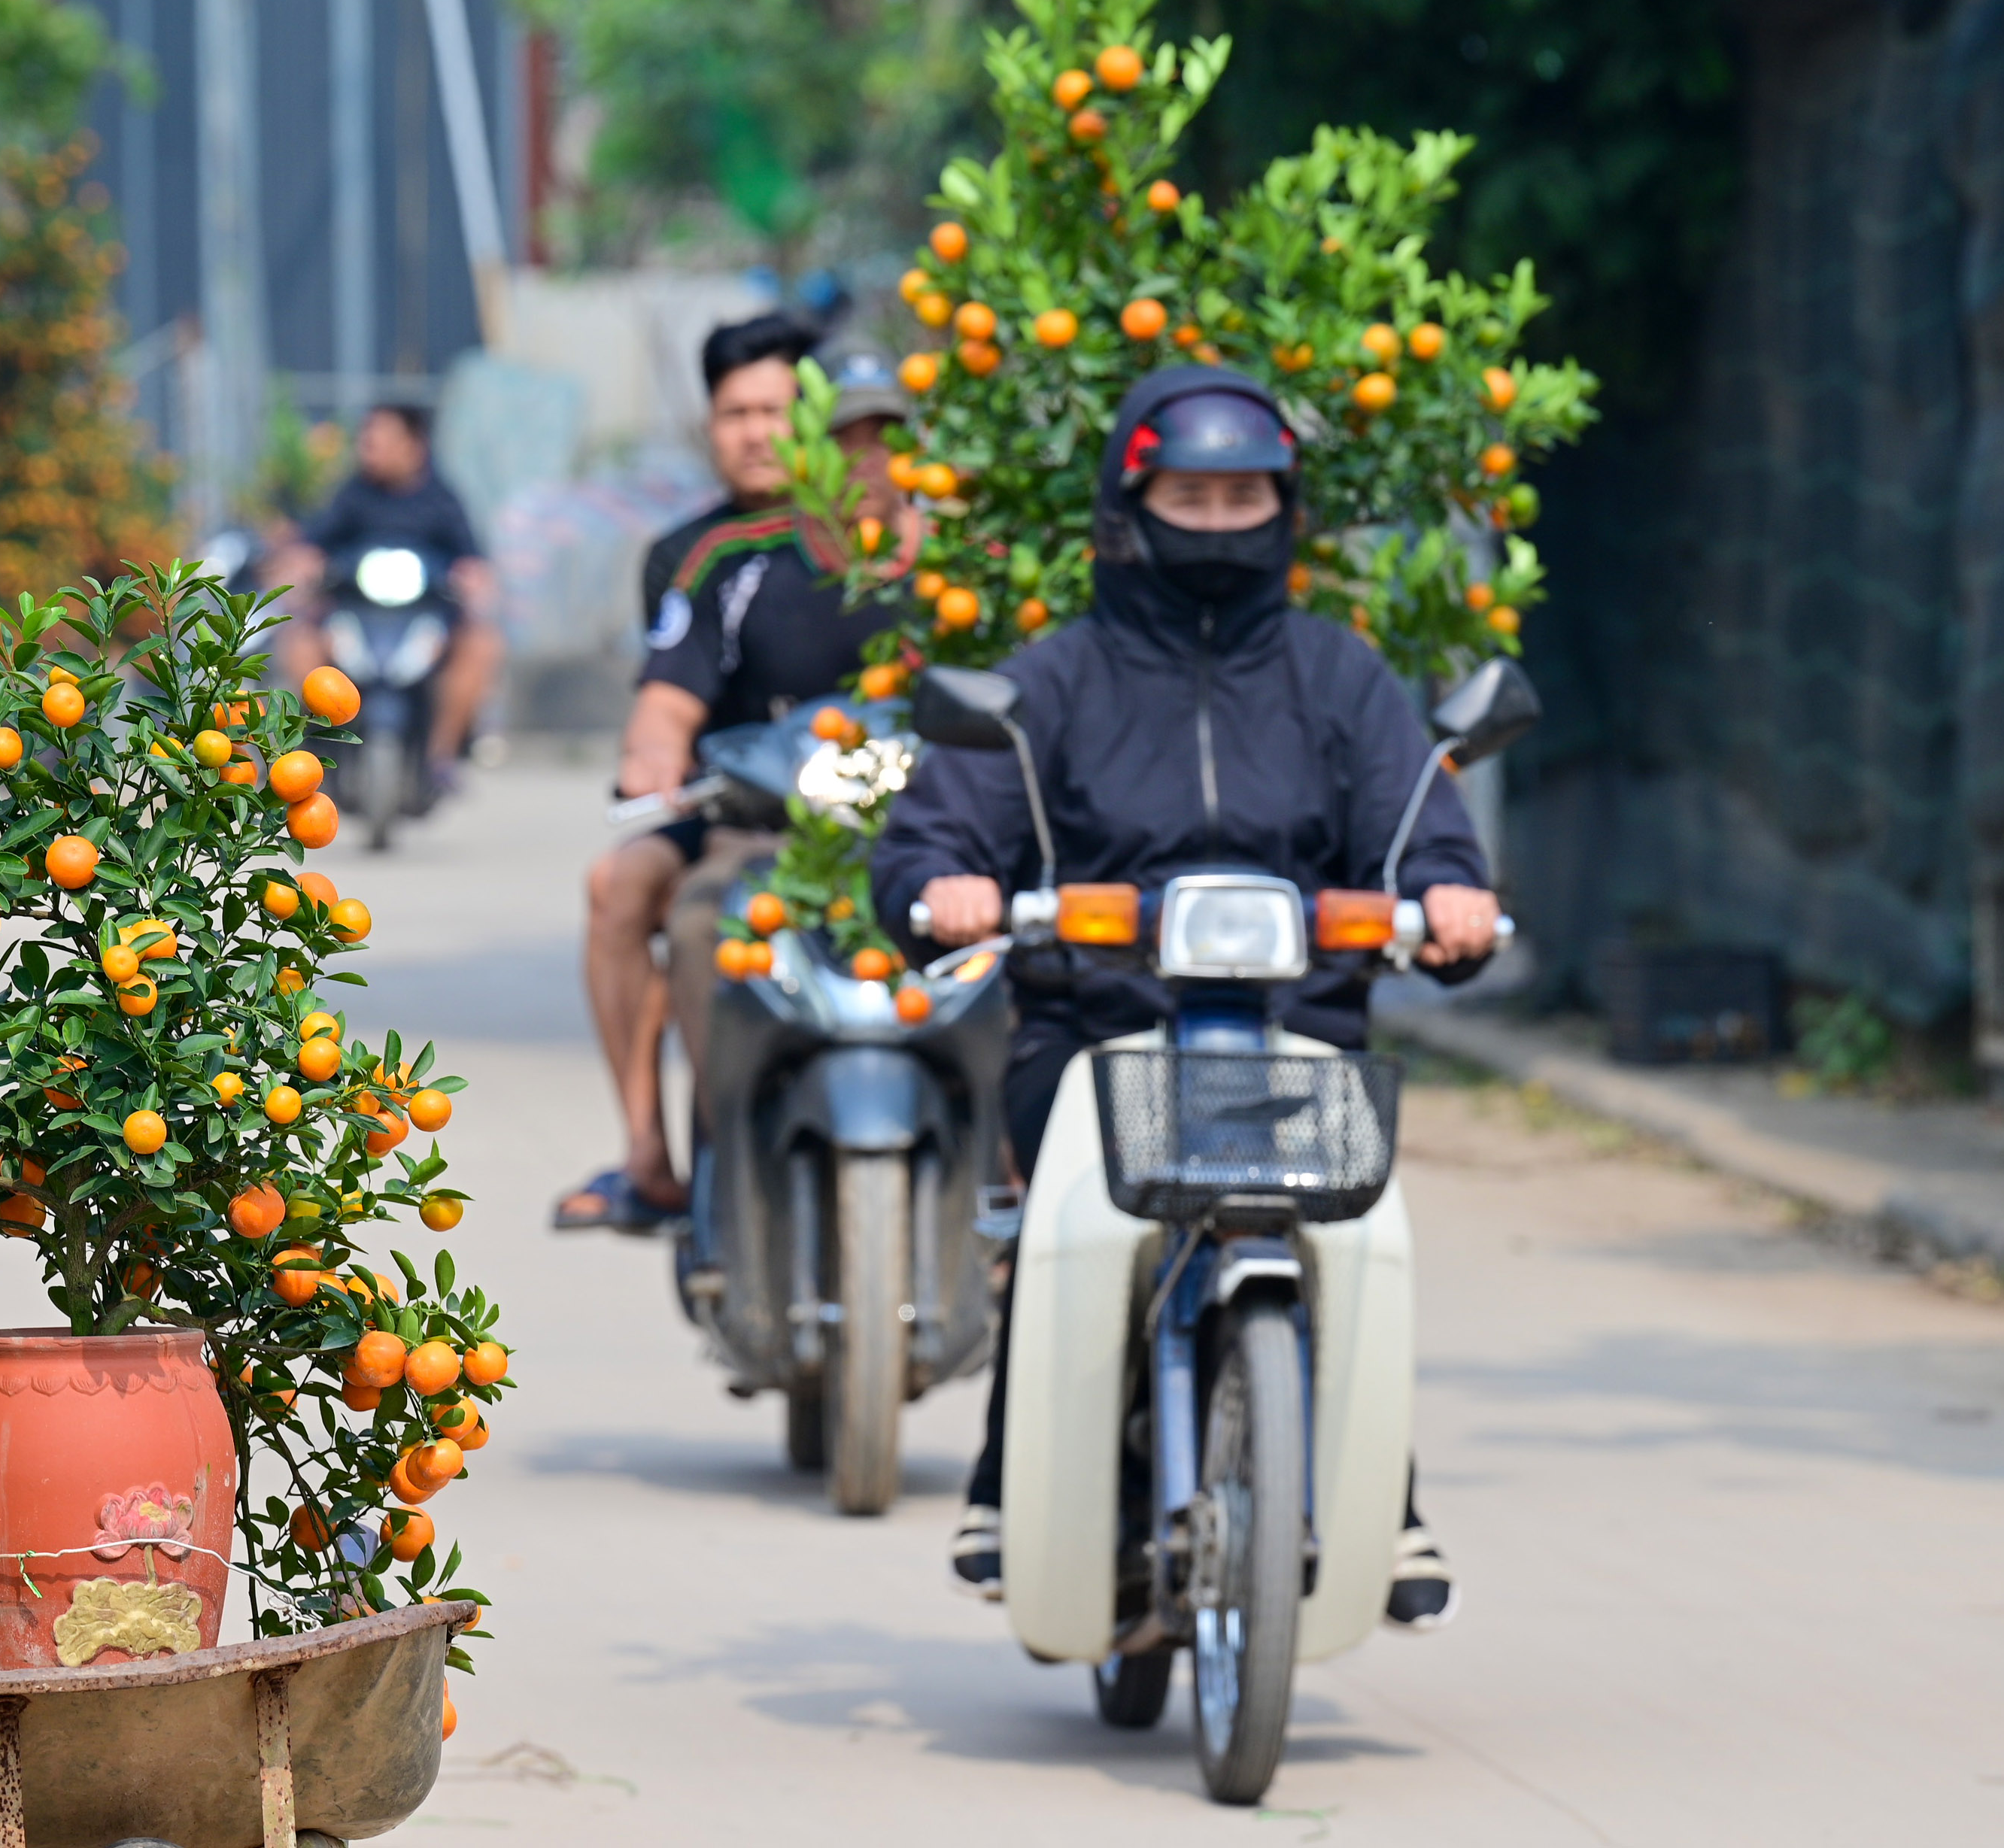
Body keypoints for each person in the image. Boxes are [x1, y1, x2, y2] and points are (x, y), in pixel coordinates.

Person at [870, 366, 1503, 1628]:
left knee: (1359, 1239)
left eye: (1243, 497)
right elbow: (940, 828)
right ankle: (1008, 1480)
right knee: (1062, 1218)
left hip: (1297, 1031)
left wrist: (1450, 895)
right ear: (1130, 506)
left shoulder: (1340, 676)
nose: (1218, 521)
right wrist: (946, 882)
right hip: (1095, 1028)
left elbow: (1418, 829)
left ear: (1284, 508)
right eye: (1190, 497)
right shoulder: (1054, 679)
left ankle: (1384, 1493)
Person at [557, 329, 913, 1230]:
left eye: (882, 440)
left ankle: (1003, 1180)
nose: (863, 461)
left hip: (911, 824)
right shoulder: (713, 560)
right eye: (736, 414)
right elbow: (667, 703)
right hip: (748, 809)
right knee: (642, 893)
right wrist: (651, 763)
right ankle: (668, 1154)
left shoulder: (960, 566)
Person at [272, 402, 502, 773]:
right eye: (365, 440)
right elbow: (313, 544)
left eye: (376, 441)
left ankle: (441, 755)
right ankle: (316, 738)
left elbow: (471, 560)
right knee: (299, 641)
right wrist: (302, 567)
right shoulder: (353, 494)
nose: (366, 449)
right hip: (353, 615)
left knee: (481, 645)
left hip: (427, 619)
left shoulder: (441, 499)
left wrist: (474, 582)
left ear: (413, 446)